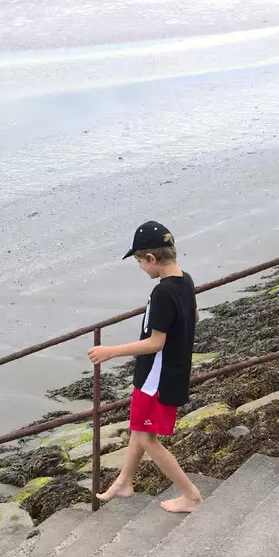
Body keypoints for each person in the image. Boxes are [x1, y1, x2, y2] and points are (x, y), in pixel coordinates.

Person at [87, 220, 202, 513]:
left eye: (139, 261)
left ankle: (190, 495)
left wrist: (110, 351)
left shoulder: (162, 292)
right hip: (169, 371)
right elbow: (195, 316)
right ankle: (124, 482)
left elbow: (155, 343)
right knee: (139, 430)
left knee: (148, 439)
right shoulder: (185, 280)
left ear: (151, 258)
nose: (140, 268)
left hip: (157, 379)